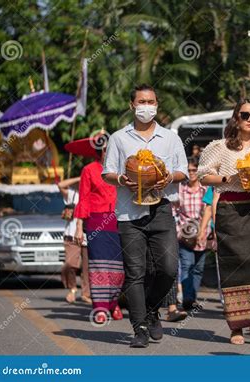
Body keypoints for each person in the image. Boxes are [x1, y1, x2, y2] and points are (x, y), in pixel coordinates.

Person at [102, 84, 188, 348]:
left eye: (151, 101)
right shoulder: (119, 138)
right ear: (132, 106)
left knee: (168, 269)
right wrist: (121, 179)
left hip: (161, 208)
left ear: (157, 105)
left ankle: (152, 309)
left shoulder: (170, 138)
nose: (146, 106)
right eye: (141, 101)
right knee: (135, 272)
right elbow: (107, 172)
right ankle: (139, 328)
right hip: (129, 213)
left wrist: (166, 177)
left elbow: (183, 172)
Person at [198, 99, 250, 345]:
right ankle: (236, 328)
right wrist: (227, 177)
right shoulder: (220, 147)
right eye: (245, 115)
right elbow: (203, 176)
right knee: (235, 267)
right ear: (236, 118)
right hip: (229, 210)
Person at [74, 133, 124, 324]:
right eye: (105, 148)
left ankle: (113, 303)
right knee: (99, 266)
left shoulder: (121, 169)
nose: (109, 151)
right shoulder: (89, 170)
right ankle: (101, 307)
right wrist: (79, 226)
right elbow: (84, 199)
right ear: (100, 150)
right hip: (96, 222)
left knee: (119, 269)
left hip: (119, 221)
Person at [175, 156, 209, 311]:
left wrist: (206, 231)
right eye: (188, 170)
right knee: (187, 265)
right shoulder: (180, 189)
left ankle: (192, 297)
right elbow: (174, 212)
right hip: (185, 234)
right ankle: (187, 298)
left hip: (203, 233)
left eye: (194, 170)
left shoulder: (205, 189)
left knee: (198, 268)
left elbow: (210, 212)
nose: (191, 173)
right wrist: (178, 232)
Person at [58, 176, 91, 305]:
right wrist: (80, 177)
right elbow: (61, 184)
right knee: (70, 264)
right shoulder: (72, 194)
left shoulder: (91, 194)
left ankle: (86, 293)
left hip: (88, 236)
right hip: (71, 236)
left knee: (87, 268)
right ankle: (72, 288)